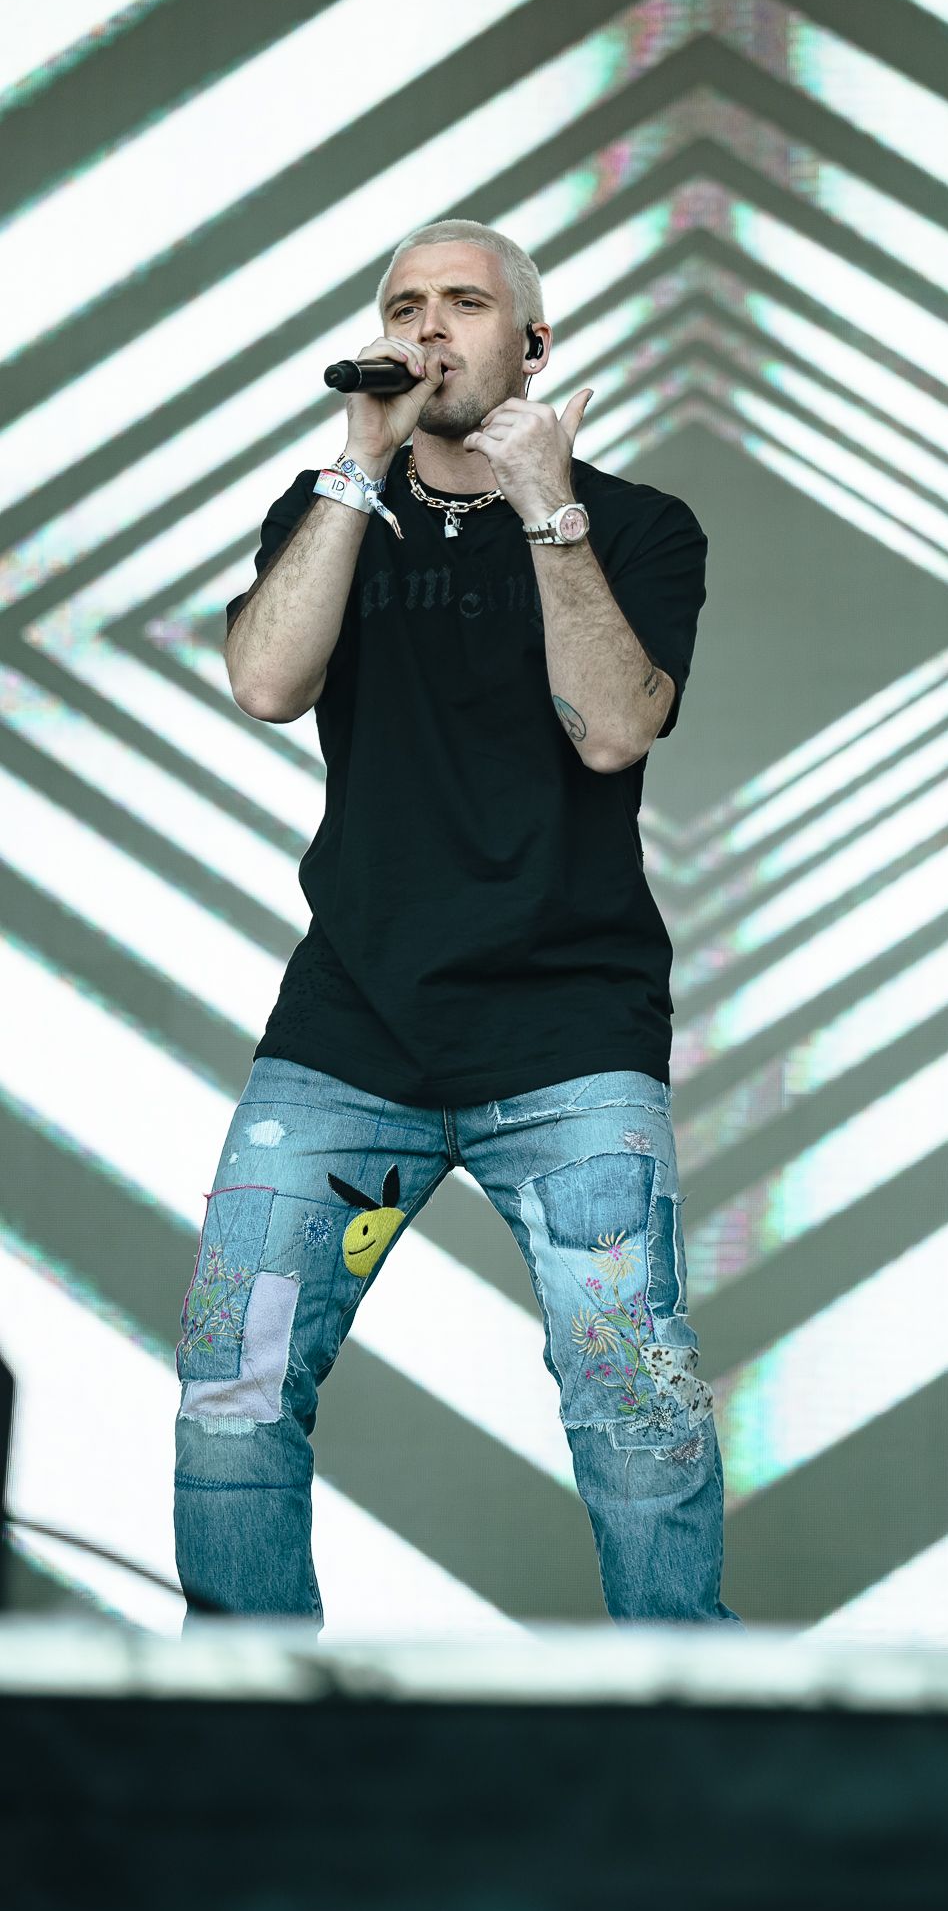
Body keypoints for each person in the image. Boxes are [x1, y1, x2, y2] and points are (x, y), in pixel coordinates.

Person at [173, 218, 736, 1625]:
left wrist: (548, 504)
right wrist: (355, 468)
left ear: (532, 345)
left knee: (633, 1400)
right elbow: (265, 684)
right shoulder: (326, 512)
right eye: (404, 303)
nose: (427, 326)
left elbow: (612, 729)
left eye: (464, 303)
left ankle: (683, 1713)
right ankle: (240, 1719)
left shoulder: (640, 525)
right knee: (235, 1380)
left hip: (567, 1033)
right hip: (348, 1032)